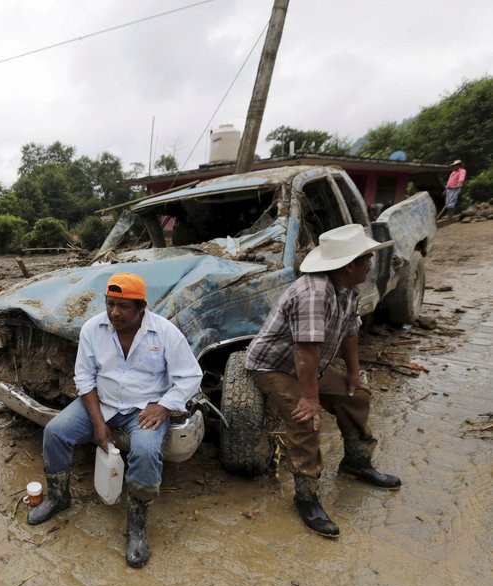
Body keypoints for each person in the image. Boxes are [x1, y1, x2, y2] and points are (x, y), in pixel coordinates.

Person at [27, 272, 203, 568]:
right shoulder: (93, 329)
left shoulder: (165, 333)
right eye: (110, 304)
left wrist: (163, 406)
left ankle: (136, 525)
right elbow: (84, 377)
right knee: (55, 432)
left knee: (146, 453)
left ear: (142, 307)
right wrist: (97, 422)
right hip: (102, 402)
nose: (114, 313)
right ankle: (58, 496)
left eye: (123, 307)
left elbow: (191, 376)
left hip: (143, 408)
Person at [245, 224, 401, 539]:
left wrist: (353, 375)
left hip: (308, 364)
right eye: (366, 258)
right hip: (274, 366)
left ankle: (357, 462)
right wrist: (310, 398)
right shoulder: (313, 292)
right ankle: (306, 496)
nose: (370, 264)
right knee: (306, 420)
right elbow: (305, 351)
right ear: (349, 265)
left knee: (355, 396)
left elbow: (351, 331)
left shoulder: (349, 288)